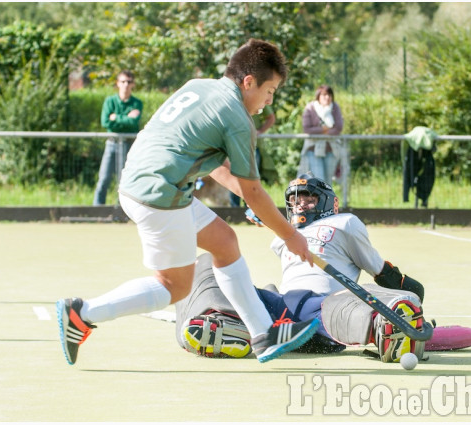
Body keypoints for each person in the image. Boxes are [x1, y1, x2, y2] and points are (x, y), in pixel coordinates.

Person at [56, 39, 320, 366]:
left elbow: (220, 169)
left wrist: (254, 203)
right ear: (248, 82)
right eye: (270, 90)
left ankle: (264, 336)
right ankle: (81, 313)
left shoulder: (200, 87)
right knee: (174, 285)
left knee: (224, 242)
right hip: (160, 193)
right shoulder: (238, 118)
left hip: (142, 182)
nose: (269, 100)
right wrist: (290, 235)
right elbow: (253, 191)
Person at [175, 173, 428, 363]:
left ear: (332, 203)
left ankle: (383, 325)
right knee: (208, 262)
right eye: (295, 201)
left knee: (358, 296)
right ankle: (225, 322)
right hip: (278, 312)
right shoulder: (283, 235)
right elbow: (280, 225)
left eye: (309, 199)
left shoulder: (345, 223)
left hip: (325, 308)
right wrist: (270, 218)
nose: (300, 205)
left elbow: (378, 269)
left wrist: (408, 288)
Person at [93, 70, 143, 205]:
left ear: (133, 84)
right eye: (123, 81)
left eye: (129, 82)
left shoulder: (137, 103)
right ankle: (98, 209)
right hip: (112, 143)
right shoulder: (110, 101)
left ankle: (122, 210)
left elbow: (133, 123)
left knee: (125, 181)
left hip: (129, 144)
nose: (126, 85)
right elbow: (106, 122)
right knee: (104, 178)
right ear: (117, 83)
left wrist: (116, 118)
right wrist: (126, 118)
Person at [229, 105, 276, 207]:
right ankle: (234, 211)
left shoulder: (259, 96)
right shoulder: (232, 99)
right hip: (235, 145)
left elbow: (271, 118)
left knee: (251, 180)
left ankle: (251, 210)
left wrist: (260, 131)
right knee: (234, 178)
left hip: (253, 147)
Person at [299, 85, 344, 182]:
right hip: (313, 149)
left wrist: (321, 131)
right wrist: (324, 129)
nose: (327, 97)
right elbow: (307, 129)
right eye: (324, 95)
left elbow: (338, 128)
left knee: (328, 183)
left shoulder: (335, 107)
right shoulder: (310, 108)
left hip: (331, 149)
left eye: (329, 95)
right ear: (318, 96)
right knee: (319, 180)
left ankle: (327, 198)